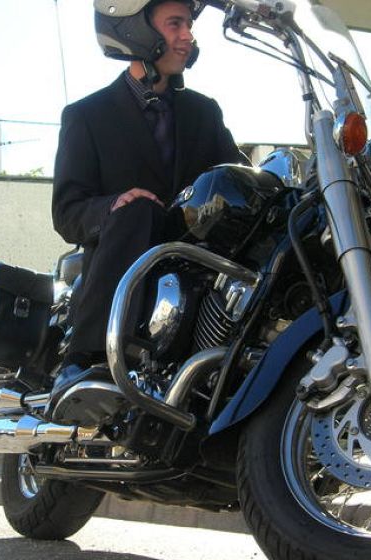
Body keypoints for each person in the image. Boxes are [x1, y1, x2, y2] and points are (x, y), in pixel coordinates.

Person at [49, 0, 243, 409]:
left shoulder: (204, 113)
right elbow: (67, 212)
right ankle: (85, 361)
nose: (187, 36)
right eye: (175, 24)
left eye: (188, 25)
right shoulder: (87, 115)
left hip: (200, 280)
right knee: (138, 209)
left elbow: (236, 178)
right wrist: (113, 206)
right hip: (129, 277)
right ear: (137, 31)